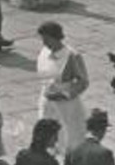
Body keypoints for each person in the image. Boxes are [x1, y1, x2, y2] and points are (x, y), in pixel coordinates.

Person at [36, 21, 89, 154]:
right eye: (43, 39)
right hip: (47, 100)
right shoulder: (44, 52)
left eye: (47, 39)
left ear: (56, 37)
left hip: (66, 104)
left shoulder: (71, 56)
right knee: (47, 132)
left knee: (69, 135)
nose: (44, 43)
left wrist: (65, 94)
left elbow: (83, 81)